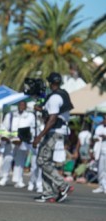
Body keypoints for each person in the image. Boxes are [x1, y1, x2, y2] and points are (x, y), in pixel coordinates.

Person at [32, 72, 74, 203]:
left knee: (42, 161)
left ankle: (63, 185)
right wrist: (41, 109)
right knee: (46, 161)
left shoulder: (55, 97)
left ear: (50, 83)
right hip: (59, 131)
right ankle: (48, 193)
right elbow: (56, 114)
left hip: (54, 132)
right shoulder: (63, 94)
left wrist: (39, 136)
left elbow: (53, 119)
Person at [0, 101, 35, 188]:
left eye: (23, 105)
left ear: (25, 106)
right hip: (11, 140)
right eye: (20, 105)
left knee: (20, 161)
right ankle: (4, 176)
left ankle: (18, 179)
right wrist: (5, 135)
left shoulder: (30, 116)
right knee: (7, 159)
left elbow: (32, 128)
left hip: (22, 141)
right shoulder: (10, 115)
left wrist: (26, 137)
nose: (21, 106)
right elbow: (4, 127)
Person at [92, 116, 106, 194]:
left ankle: (105, 186)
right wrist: (96, 138)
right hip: (100, 151)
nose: (104, 120)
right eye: (104, 118)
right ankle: (101, 186)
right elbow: (95, 137)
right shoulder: (99, 127)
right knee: (100, 169)